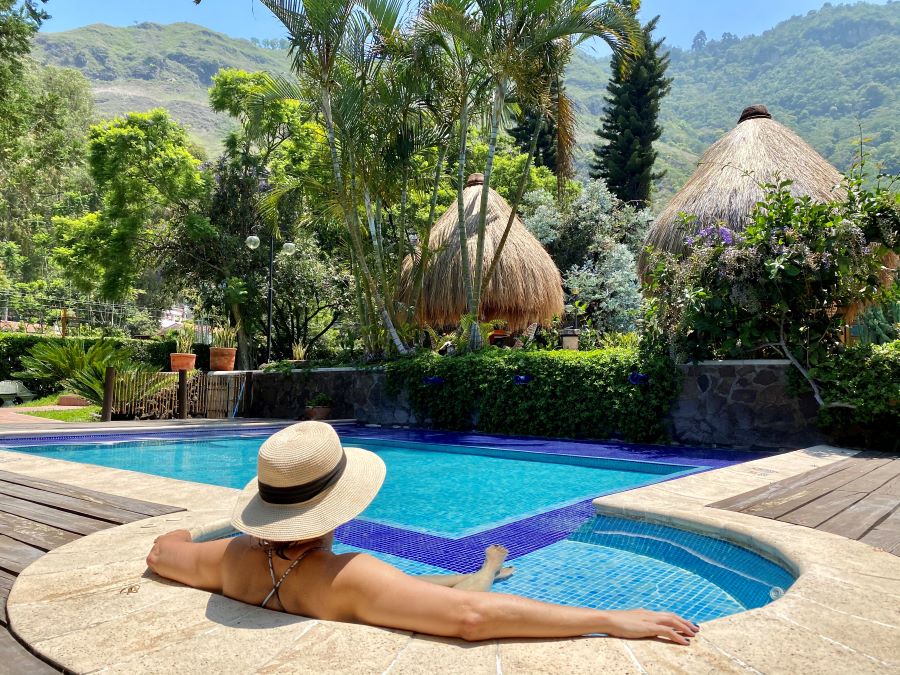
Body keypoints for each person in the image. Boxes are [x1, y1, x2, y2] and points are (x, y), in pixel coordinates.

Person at [147, 422, 699, 645]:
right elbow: (472, 619)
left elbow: (162, 553)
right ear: (339, 508)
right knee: (457, 593)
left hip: (276, 577)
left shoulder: (233, 557)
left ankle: (474, 573)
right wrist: (606, 618)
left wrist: (179, 530)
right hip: (365, 594)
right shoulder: (353, 576)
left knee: (431, 590)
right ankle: (481, 571)